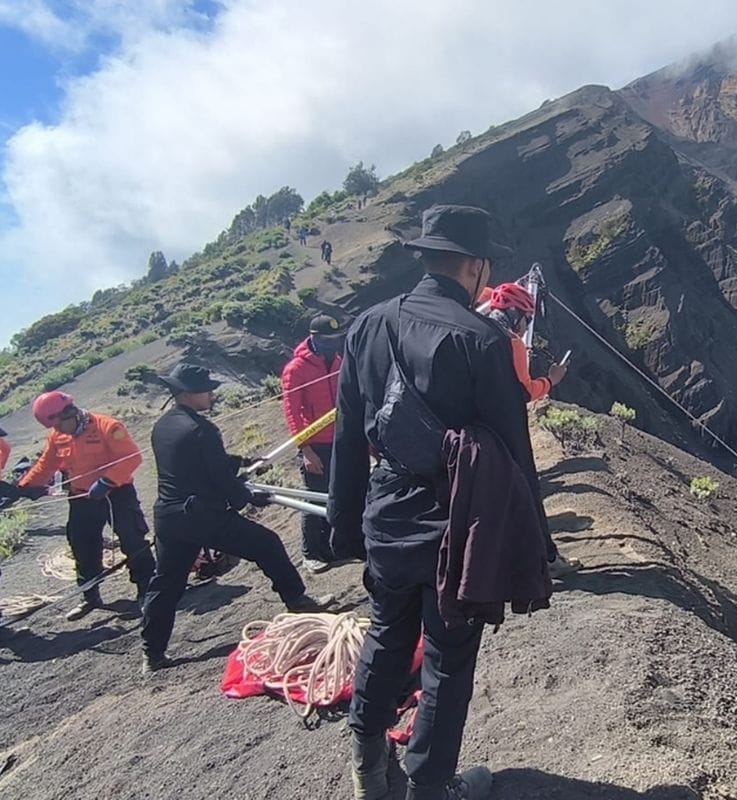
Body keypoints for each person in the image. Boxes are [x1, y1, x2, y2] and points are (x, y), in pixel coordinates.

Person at [329, 204, 555, 800]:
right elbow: (512, 451)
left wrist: (344, 527)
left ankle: (369, 770)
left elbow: (348, 434)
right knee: (448, 657)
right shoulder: (483, 339)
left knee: (386, 633)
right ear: (476, 267)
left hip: (385, 509)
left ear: (428, 258)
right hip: (455, 521)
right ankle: (430, 787)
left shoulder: (368, 325)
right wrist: (537, 542)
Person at [140, 363, 332, 673]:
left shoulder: (163, 426)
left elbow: (198, 463)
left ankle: (152, 653)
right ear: (188, 393)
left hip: (169, 516)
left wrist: (243, 462)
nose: (211, 395)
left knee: (166, 582)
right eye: (206, 390)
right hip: (201, 515)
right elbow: (218, 476)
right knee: (267, 544)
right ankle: (297, 601)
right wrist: (249, 498)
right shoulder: (203, 429)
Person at [19, 391, 156, 620]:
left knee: (132, 538)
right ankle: (90, 596)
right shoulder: (58, 436)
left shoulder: (107, 427)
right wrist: (25, 487)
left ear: (69, 412)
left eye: (59, 424)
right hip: (82, 498)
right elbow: (46, 465)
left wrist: (107, 481)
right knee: (82, 546)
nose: (58, 430)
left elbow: (132, 457)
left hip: (117, 493)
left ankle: (147, 590)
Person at [282, 313, 345, 573]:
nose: (333, 343)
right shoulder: (296, 369)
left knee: (336, 494)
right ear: (314, 338)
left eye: (336, 338)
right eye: (328, 339)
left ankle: (329, 548)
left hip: (339, 440)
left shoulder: (338, 361)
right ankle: (310, 553)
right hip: (315, 444)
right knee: (314, 498)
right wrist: (305, 449)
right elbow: (292, 412)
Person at [486, 282, 566, 403]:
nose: (528, 327)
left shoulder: (472, 328)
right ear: (514, 314)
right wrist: (551, 380)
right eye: (528, 319)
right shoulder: (513, 343)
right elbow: (526, 392)